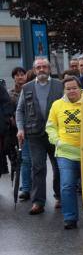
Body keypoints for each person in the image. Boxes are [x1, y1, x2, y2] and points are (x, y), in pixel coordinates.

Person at [45, 76, 83, 229]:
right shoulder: (57, 105)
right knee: (67, 186)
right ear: (64, 90)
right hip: (65, 153)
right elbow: (51, 126)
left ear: (80, 88)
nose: (72, 91)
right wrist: (57, 141)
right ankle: (70, 218)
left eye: (74, 88)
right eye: (68, 89)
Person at [16, 58, 63, 214]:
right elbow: (19, 110)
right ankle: (38, 202)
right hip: (34, 134)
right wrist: (20, 129)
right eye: (38, 67)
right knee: (38, 168)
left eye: (44, 67)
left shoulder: (59, 85)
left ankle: (59, 197)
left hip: (56, 133)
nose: (41, 69)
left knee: (58, 167)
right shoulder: (27, 87)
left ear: (49, 69)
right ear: (34, 70)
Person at [8, 66, 31, 200]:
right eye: (17, 75)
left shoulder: (30, 89)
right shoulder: (10, 93)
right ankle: (25, 186)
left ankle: (30, 185)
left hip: (30, 128)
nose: (20, 77)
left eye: (22, 74)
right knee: (21, 159)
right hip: (16, 130)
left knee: (32, 160)